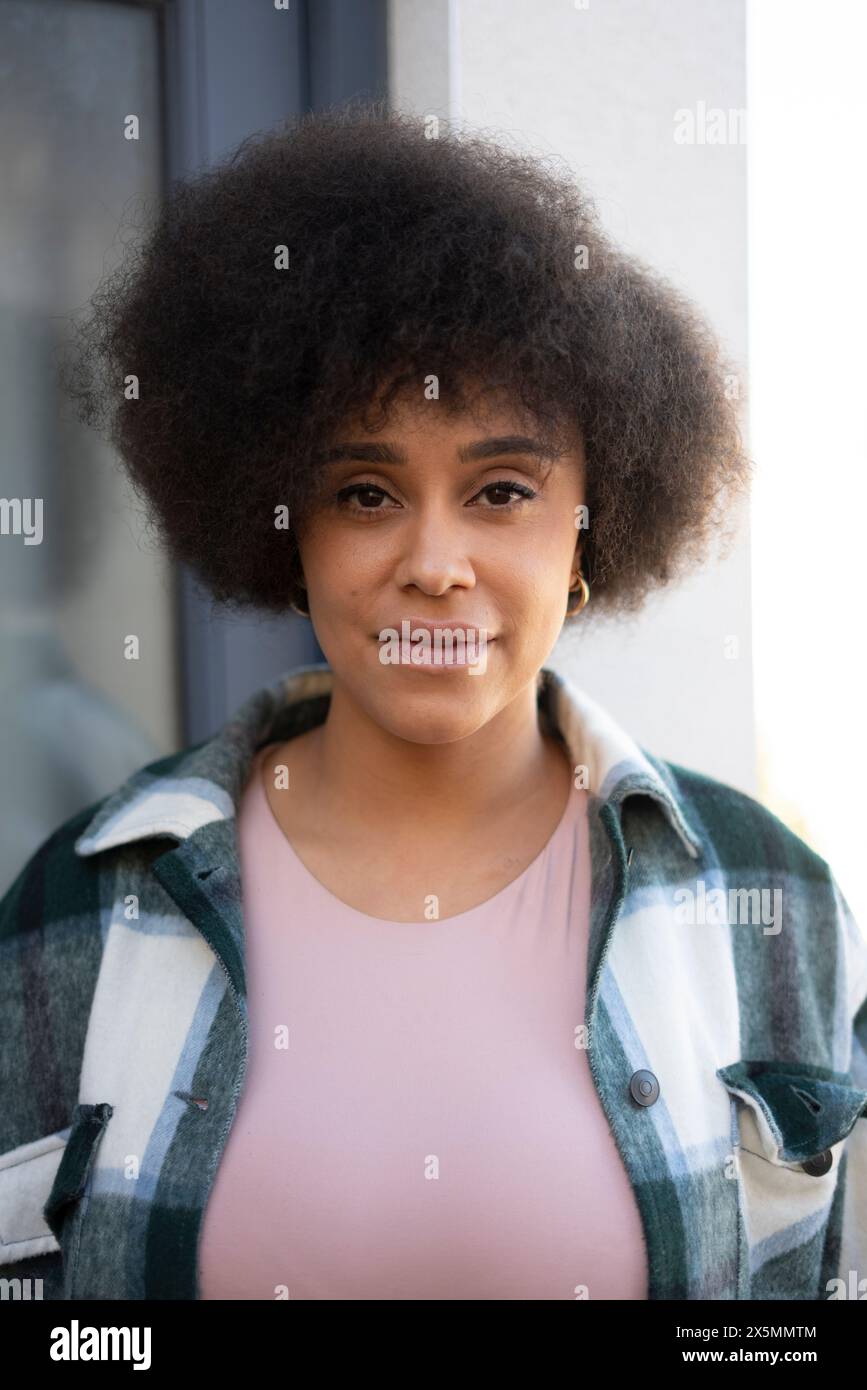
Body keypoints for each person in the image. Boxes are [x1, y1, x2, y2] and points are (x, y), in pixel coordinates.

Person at [1, 99, 865, 1302]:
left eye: (503, 489)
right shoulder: (79, 905)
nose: (435, 559)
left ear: (587, 528)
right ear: (283, 525)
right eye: (365, 492)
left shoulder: (770, 899)